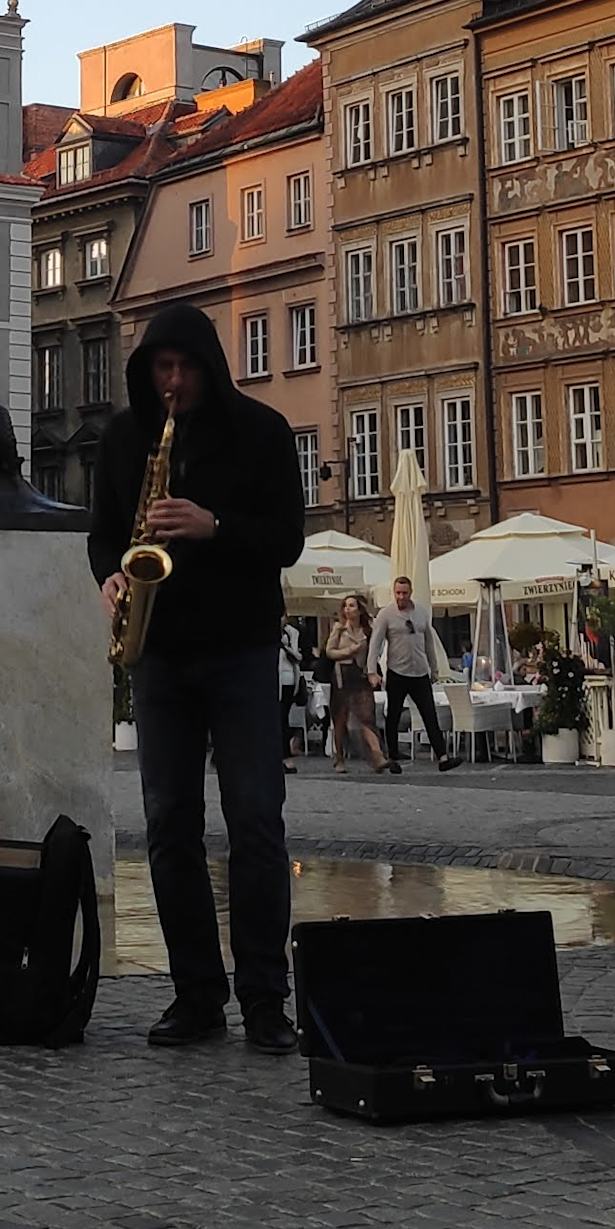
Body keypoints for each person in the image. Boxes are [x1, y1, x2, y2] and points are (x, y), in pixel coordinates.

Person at [91, 304, 305, 1054]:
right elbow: (101, 538)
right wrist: (111, 582)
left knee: (255, 823)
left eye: (183, 368)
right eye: (160, 369)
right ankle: (196, 995)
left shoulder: (263, 433)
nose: (172, 382)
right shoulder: (123, 439)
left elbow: (287, 539)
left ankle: (266, 999)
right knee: (168, 828)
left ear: (209, 366)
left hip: (241, 648)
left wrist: (213, 526)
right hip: (161, 655)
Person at [372, 576, 452, 771]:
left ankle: (442, 757)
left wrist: (434, 668)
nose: (401, 597)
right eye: (398, 593)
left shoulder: (421, 613)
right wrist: (371, 671)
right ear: (394, 592)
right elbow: (375, 644)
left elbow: (429, 643)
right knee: (394, 715)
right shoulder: (386, 614)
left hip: (419, 672)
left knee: (429, 714)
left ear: (411, 592)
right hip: (397, 672)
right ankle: (392, 756)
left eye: (405, 593)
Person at [326, 591, 389, 777]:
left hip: (360, 676)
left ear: (360, 610)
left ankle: (377, 756)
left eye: (352, 605)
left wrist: (372, 671)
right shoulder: (339, 628)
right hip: (342, 676)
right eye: (346, 606)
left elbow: (374, 652)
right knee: (340, 718)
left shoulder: (368, 630)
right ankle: (339, 759)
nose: (348, 609)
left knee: (366, 717)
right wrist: (348, 651)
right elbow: (329, 652)